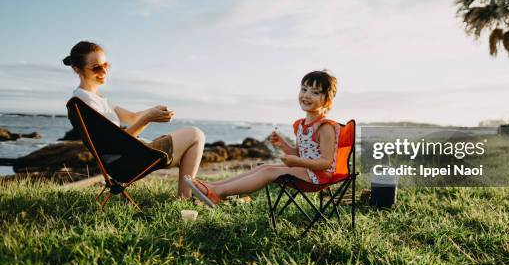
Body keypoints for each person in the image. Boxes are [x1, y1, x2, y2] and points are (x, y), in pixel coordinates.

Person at [63, 41, 205, 200]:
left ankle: (188, 196)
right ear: (77, 69)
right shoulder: (84, 102)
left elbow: (131, 117)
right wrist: (147, 119)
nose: (103, 71)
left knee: (191, 142)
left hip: (129, 154)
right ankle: (185, 197)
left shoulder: (97, 99)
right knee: (195, 134)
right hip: (125, 162)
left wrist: (152, 112)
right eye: (96, 67)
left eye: (106, 65)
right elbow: (116, 144)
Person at [184, 70, 340, 208]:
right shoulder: (301, 125)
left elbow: (325, 162)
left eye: (315, 92)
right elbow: (300, 154)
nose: (306, 95)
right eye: (304, 89)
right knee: (263, 167)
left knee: (269, 171)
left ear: (327, 101)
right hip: (306, 171)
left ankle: (218, 192)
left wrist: (296, 162)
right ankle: (213, 186)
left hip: (318, 177)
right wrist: (283, 145)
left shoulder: (325, 127)